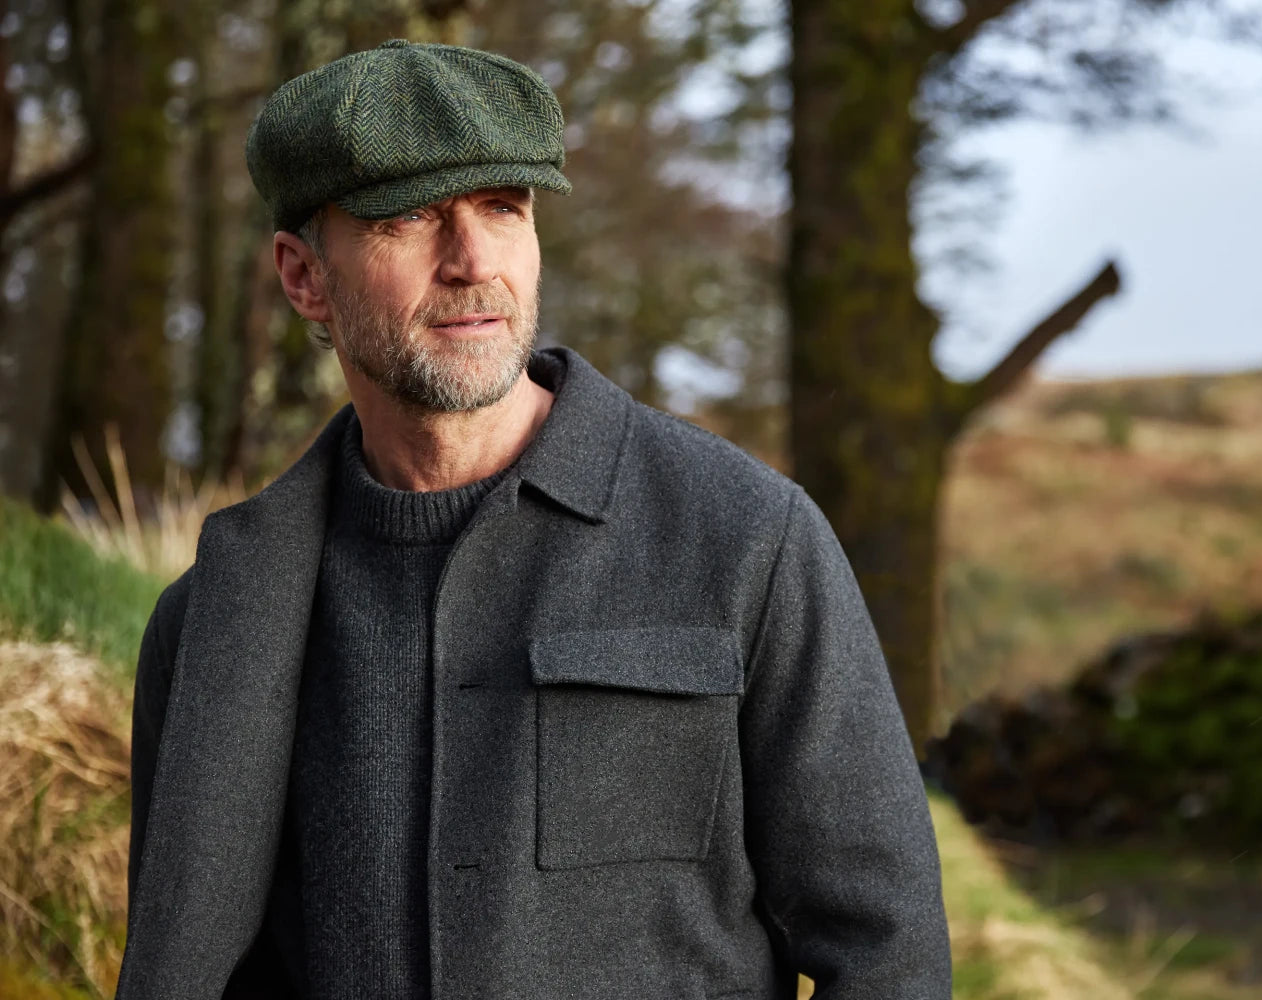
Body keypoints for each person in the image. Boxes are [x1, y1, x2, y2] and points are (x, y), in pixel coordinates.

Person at [115, 38, 951, 1000]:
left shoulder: (747, 540)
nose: (473, 261)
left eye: (503, 209)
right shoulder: (216, 621)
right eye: (411, 218)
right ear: (305, 276)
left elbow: (889, 953)